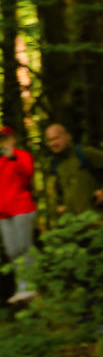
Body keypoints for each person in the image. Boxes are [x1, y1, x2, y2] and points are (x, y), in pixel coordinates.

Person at [42, 122, 103, 222]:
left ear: (68, 137)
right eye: (49, 140)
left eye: (56, 138)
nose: (52, 143)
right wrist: (59, 206)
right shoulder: (55, 165)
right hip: (74, 223)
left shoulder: (84, 153)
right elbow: (59, 193)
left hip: (97, 219)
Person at [0, 126, 34, 303]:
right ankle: (21, 287)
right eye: (1, 139)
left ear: (13, 139)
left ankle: (29, 286)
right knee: (12, 251)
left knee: (24, 248)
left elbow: (28, 174)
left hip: (22, 208)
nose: (3, 142)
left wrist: (12, 156)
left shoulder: (21, 155)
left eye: (6, 138)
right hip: (3, 214)